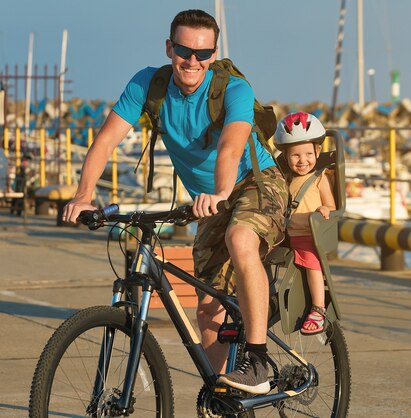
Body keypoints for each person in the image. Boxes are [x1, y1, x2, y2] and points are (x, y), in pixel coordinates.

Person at [62, 9, 288, 395]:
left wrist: (219, 193)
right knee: (207, 308)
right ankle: (220, 392)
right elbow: (106, 140)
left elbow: (231, 148)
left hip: (256, 183)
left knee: (240, 240)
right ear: (170, 47)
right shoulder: (149, 85)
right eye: (184, 50)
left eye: (203, 53)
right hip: (210, 199)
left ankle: (259, 358)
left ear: (213, 54)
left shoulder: (233, 89)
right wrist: (84, 195)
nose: (192, 61)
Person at [273, 112, 336, 334]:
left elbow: (331, 205)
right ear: (286, 156)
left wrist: (324, 209)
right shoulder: (286, 179)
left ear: (318, 152)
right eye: (295, 156)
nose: (302, 160)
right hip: (287, 236)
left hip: (310, 236)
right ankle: (269, 298)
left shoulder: (320, 178)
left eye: (308, 154)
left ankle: (318, 309)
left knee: (312, 264)